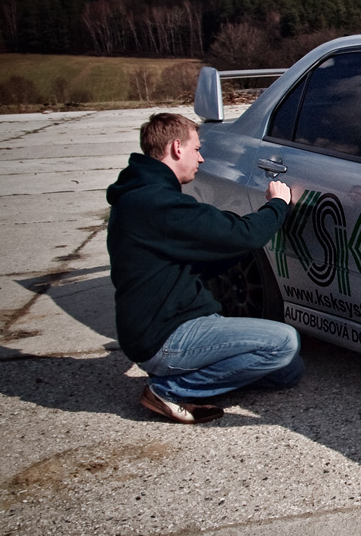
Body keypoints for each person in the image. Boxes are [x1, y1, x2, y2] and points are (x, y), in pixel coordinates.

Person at [106, 112, 303, 423]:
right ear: (176, 148)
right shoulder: (160, 204)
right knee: (283, 342)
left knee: (288, 370)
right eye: (196, 149)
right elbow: (245, 234)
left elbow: (196, 258)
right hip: (165, 337)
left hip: (164, 325)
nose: (201, 158)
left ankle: (195, 378)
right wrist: (278, 203)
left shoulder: (140, 196)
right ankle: (170, 389)